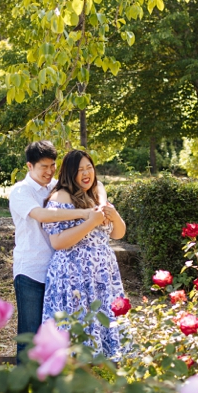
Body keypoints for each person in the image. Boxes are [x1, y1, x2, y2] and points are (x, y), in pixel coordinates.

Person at [8, 141, 106, 361]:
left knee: (58, 336)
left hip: (61, 274)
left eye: (53, 165)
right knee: (30, 335)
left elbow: (95, 187)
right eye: (43, 166)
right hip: (31, 271)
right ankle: (22, 391)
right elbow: (44, 215)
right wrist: (85, 214)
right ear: (29, 166)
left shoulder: (56, 187)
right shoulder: (20, 192)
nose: (49, 171)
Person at [41, 149, 127, 358]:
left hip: (102, 274)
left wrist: (114, 216)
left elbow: (118, 233)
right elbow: (58, 242)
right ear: (70, 173)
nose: (86, 173)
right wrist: (90, 223)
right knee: (75, 331)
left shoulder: (97, 191)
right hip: (73, 275)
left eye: (89, 167)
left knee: (101, 325)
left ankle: (100, 379)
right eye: (80, 170)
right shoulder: (61, 196)